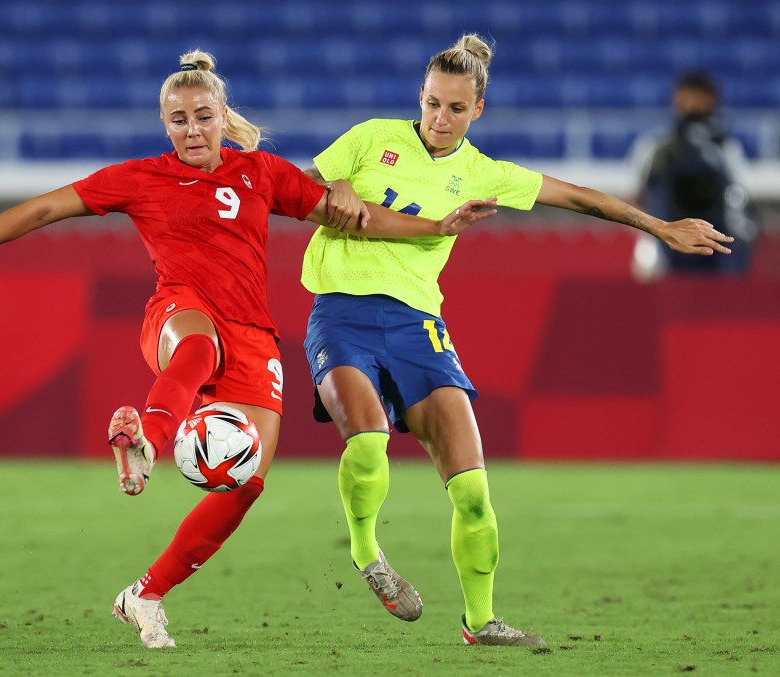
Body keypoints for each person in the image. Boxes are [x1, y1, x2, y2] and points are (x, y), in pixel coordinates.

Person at [0, 50, 498, 649]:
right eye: (179, 120)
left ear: (221, 116)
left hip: (253, 336)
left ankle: (146, 594)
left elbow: (355, 218)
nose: (192, 130)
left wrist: (437, 226)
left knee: (245, 485)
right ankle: (145, 448)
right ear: (166, 125)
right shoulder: (142, 178)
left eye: (203, 117)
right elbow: (46, 208)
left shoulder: (260, 172)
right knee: (197, 346)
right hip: (179, 312)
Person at [300, 34, 734, 647]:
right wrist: (334, 187)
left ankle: (481, 622)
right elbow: (301, 187)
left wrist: (658, 226)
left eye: (455, 108)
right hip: (342, 314)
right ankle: (369, 554)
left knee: (474, 491)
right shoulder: (372, 137)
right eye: (430, 104)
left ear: (477, 110)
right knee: (368, 442)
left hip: (419, 326)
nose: (439, 119)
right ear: (418, 98)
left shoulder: (483, 175)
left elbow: (578, 197)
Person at [631, 70, 757, 277]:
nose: (693, 105)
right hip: (665, 247)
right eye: (687, 97)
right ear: (676, 99)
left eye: (699, 98)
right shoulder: (656, 147)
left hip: (715, 249)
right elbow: (636, 198)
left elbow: (739, 200)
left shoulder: (726, 149)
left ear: (713, 101)